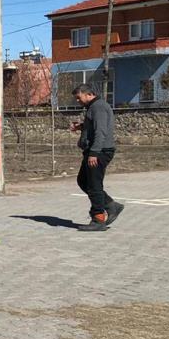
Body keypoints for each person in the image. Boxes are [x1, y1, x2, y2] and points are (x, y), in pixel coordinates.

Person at [69, 83, 123, 231]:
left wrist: (94, 153)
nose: (78, 101)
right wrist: (81, 126)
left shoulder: (98, 107)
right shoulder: (93, 107)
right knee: (83, 181)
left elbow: (101, 131)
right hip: (93, 150)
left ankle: (98, 218)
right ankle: (112, 206)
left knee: (94, 185)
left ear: (88, 94)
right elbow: (94, 126)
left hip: (99, 152)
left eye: (79, 98)